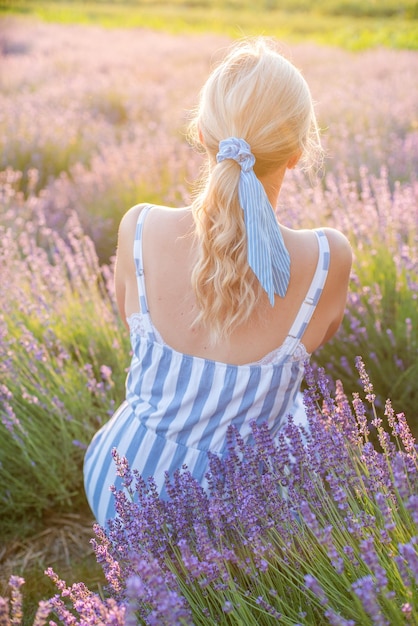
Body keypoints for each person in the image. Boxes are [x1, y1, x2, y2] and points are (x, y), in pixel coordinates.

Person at [84, 36, 352, 527]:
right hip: (241, 514)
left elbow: (126, 315)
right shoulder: (327, 257)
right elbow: (326, 334)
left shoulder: (138, 227)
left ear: (203, 136)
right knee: (297, 420)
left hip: (122, 484)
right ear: (295, 153)